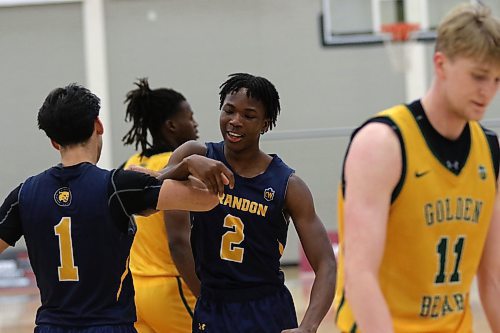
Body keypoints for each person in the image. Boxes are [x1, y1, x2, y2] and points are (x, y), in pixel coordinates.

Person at [0, 84, 227, 333]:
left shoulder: (23, 194)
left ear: (54, 141)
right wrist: (175, 169)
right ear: (98, 125)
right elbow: (208, 199)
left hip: (50, 326)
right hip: (108, 325)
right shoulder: (117, 187)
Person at [334, 3, 500, 333]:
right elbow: (360, 274)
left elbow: (494, 277)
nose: (488, 91)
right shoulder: (382, 144)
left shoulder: (490, 150)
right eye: (478, 76)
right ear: (441, 64)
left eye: (496, 79)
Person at [159, 73, 337, 333]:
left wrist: (308, 326)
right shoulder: (194, 155)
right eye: (229, 111)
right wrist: (185, 166)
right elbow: (148, 193)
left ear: (265, 124)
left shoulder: (288, 184)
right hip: (213, 304)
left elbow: (326, 263)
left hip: (266, 307)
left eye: (248, 115)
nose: (235, 121)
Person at [121, 78, 199, 333]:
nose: (195, 123)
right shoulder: (175, 167)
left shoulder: (132, 162)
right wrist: (206, 295)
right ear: (172, 125)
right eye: (190, 116)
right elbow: (178, 240)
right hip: (172, 286)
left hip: (137, 289)